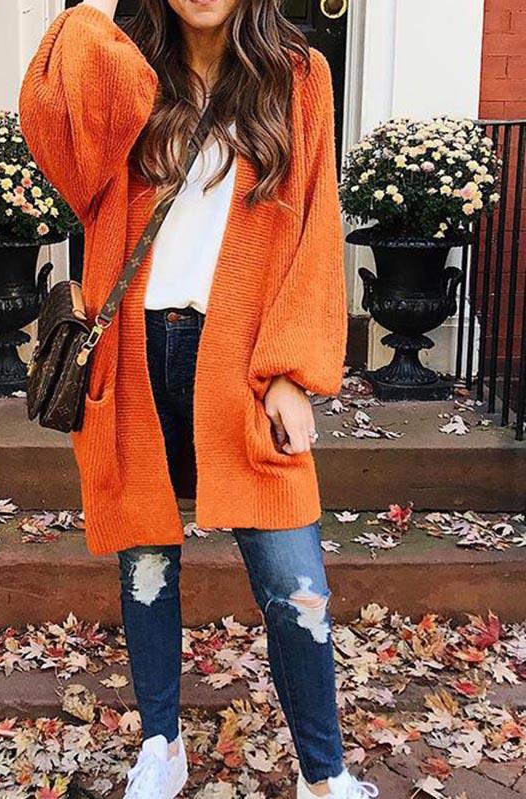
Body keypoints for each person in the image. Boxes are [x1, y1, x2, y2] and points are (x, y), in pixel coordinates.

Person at [20, 1, 378, 797]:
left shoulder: (299, 78)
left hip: (242, 360)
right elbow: (54, 134)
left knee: (296, 582)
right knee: (147, 564)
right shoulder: (127, 75)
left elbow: (316, 223)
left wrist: (291, 371)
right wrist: (91, 14)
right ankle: (162, 745)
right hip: (136, 351)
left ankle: (325, 775)